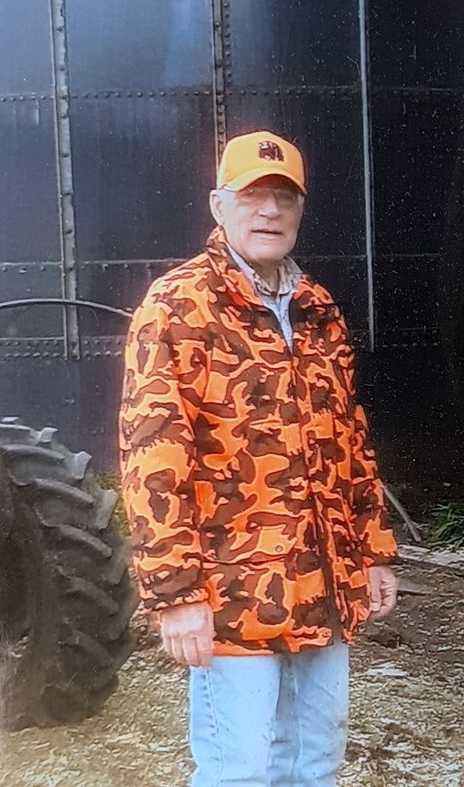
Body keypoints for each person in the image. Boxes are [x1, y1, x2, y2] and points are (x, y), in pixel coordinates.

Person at [118, 130, 398, 787]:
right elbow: (151, 457)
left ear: (299, 210)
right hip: (232, 595)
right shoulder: (177, 305)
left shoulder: (319, 308)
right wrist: (176, 594)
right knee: (238, 771)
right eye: (251, 196)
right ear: (219, 205)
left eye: (283, 197)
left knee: (316, 764)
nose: (267, 211)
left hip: (324, 583)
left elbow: (350, 437)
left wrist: (375, 550)